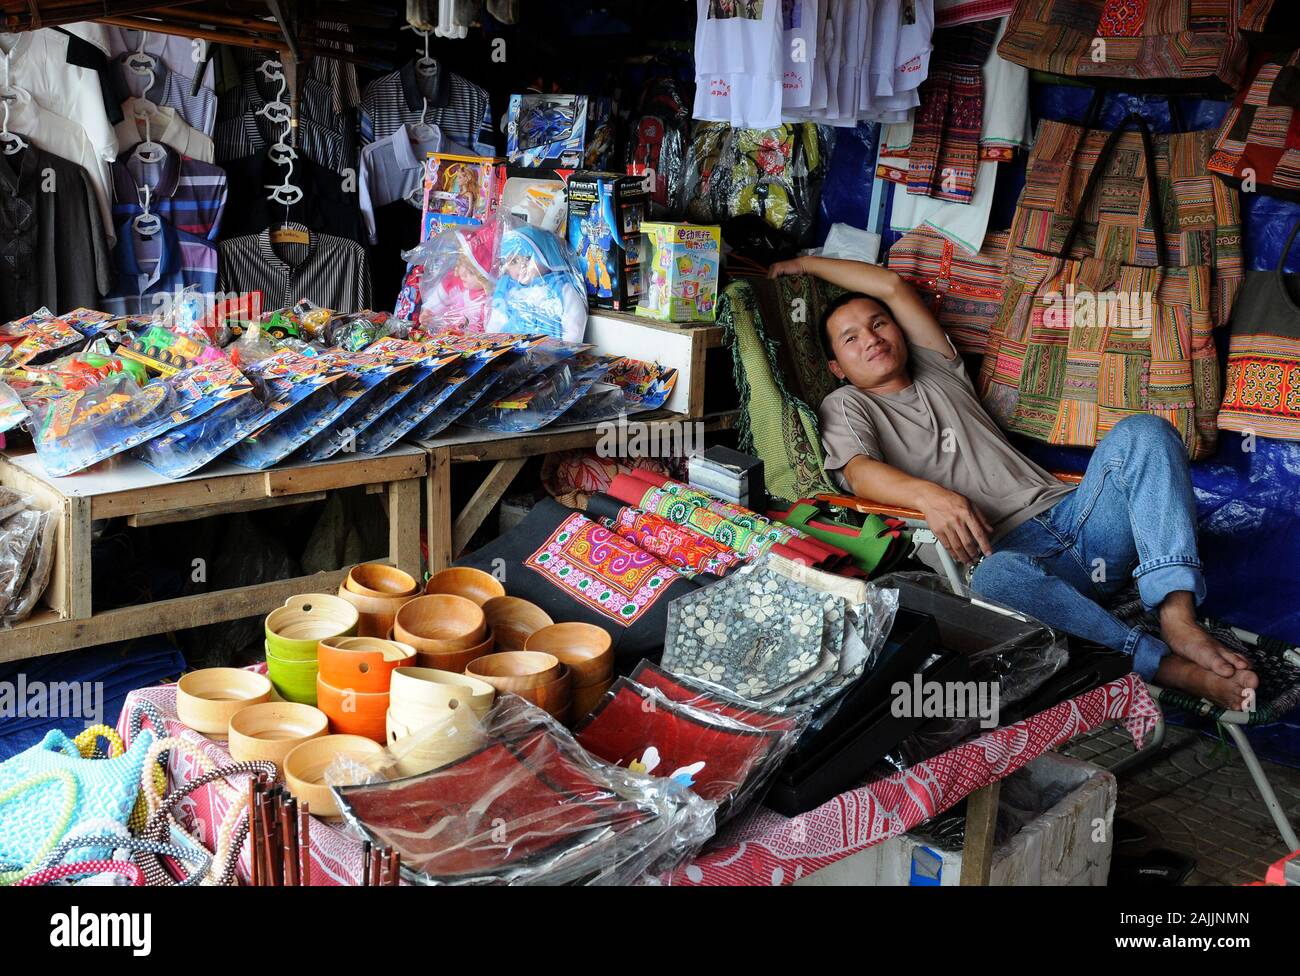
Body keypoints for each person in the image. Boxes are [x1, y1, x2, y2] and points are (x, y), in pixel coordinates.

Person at [768, 254, 1259, 711]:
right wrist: (929, 495)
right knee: (995, 580)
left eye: (878, 324)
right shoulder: (848, 405)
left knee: (1145, 431)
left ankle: (1177, 616)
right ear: (835, 367)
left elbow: (892, 284)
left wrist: (804, 262)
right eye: (850, 338)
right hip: (1012, 554)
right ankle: (1163, 665)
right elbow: (857, 472)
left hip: (1082, 522)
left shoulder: (940, 370)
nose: (871, 338)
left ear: (898, 329)